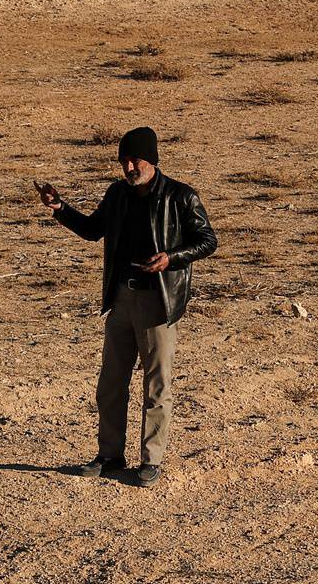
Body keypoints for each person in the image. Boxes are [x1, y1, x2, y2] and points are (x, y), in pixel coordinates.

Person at [37, 127, 218, 486]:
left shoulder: (181, 196)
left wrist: (172, 258)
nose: (128, 167)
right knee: (111, 382)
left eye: (134, 159)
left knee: (156, 384)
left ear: (152, 160)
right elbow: (93, 230)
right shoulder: (118, 194)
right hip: (122, 298)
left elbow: (207, 240)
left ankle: (150, 460)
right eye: (124, 161)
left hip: (158, 301)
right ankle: (109, 455)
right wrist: (60, 209)